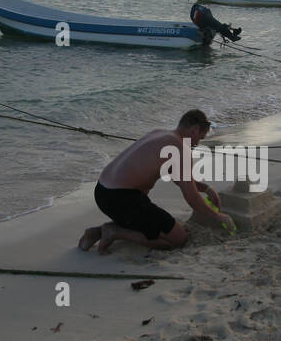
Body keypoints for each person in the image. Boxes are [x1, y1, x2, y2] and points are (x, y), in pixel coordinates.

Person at [79, 109, 233, 254]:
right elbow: (191, 197)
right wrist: (218, 216)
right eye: (200, 137)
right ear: (194, 130)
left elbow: (180, 179)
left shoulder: (159, 133)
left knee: (146, 219)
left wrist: (207, 189)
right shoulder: (180, 149)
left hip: (102, 192)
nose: (198, 143)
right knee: (178, 239)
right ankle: (115, 232)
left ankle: (96, 232)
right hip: (122, 199)